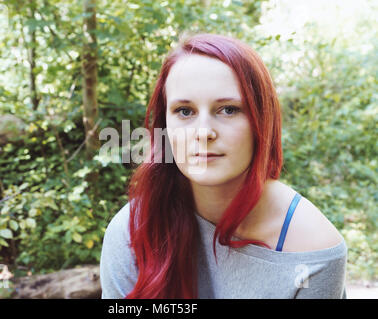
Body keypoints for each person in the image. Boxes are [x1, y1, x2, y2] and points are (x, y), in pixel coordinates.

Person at [99, 33, 347, 299]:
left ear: (261, 122)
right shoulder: (134, 228)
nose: (204, 132)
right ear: (164, 127)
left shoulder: (314, 249)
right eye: (185, 111)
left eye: (228, 109)